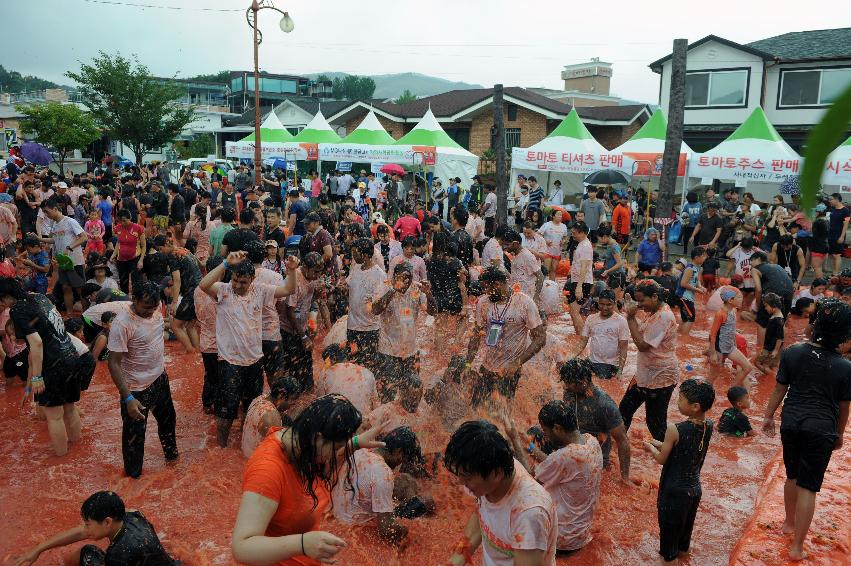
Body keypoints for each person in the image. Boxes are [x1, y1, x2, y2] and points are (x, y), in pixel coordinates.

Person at [232, 394, 387, 565]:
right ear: (317, 438)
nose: (335, 455)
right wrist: (303, 544)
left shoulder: (301, 444)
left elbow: (328, 454)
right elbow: (242, 547)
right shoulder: (268, 470)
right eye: (339, 446)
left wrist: (356, 443)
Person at [762, 298, 851, 562]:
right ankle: (797, 547)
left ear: (815, 325)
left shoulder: (793, 352)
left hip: (792, 422)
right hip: (822, 427)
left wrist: (767, 416)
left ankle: (788, 524)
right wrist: (840, 434)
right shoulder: (845, 367)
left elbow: (780, 389)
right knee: (808, 486)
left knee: (791, 476)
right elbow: (845, 407)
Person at [198, 251, 294, 448]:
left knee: (251, 406)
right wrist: (225, 263)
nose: (238, 285)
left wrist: (291, 270)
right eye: (235, 280)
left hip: (254, 360)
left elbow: (288, 289)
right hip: (229, 362)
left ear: (252, 279)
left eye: (243, 282)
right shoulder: (224, 290)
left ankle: (244, 440)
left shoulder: (260, 290)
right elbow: (203, 284)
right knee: (226, 410)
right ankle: (222, 448)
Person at [445, 420, 557, 566]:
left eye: (467, 477)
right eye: (459, 475)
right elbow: (480, 515)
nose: (461, 483)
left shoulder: (529, 514)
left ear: (497, 474)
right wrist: (456, 560)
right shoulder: (492, 471)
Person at [503, 400, 603, 554]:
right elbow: (554, 462)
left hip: (561, 540)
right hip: (580, 534)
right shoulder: (592, 441)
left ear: (557, 428)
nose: (545, 435)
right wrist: (529, 446)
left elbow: (530, 479)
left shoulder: (566, 457)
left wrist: (515, 439)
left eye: (546, 431)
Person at [0, 277, 81, 457]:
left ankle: (61, 463)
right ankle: (78, 452)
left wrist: (37, 377)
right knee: (69, 408)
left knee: (54, 415)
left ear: (6, 297)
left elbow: (36, 343)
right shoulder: (38, 297)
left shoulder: (17, 309)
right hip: (71, 355)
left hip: (53, 362)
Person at [106, 280, 177, 478]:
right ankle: (133, 480)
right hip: (136, 389)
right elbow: (113, 363)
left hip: (160, 378)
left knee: (168, 422)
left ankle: (172, 462)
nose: (150, 312)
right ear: (134, 299)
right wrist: (127, 398)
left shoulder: (156, 308)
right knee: (134, 438)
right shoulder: (122, 324)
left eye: (154, 307)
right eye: (145, 308)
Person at [644, 378, 715, 566]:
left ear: (695, 406)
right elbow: (683, 449)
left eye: (681, 399)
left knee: (668, 554)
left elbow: (662, 459)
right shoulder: (709, 425)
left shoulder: (674, 429)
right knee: (683, 546)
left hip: (673, 493)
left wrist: (649, 447)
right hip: (694, 491)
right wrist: (657, 443)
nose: (677, 402)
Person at [12, 491, 177, 566]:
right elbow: (81, 532)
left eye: (88, 523)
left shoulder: (118, 555)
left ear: (107, 522)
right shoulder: (133, 515)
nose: (85, 528)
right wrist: (39, 549)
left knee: (85, 552)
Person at [331, 426, 433, 544]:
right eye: (403, 458)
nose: (401, 463)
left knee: (405, 479)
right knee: (427, 501)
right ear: (398, 451)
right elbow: (387, 531)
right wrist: (412, 533)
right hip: (358, 528)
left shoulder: (360, 450)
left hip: (339, 516)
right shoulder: (383, 473)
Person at [465, 266, 545, 407]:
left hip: (509, 371)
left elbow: (540, 338)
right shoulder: (483, 303)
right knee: (475, 409)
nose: (485, 292)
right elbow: (476, 336)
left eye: (487, 288)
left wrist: (518, 363)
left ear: (497, 284)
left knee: (501, 415)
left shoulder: (524, 303)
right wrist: (467, 364)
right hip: (487, 366)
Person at [620, 280, 680, 442]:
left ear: (654, 296)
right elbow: (643, 332)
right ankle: (615, 448)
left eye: (641, 300)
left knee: (655, 424)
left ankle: (669, 455)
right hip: (645, 374)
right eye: (636, 301)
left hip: (661, 377)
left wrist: (631, 317)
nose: (639, 305)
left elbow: (642, 345)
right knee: (624, 411)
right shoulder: (653, 312)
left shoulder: (664, 316)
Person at [558, 358, 632, 483]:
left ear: (582, 382)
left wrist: (625, 478)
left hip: (594, 459)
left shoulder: (604, 405)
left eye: (568, 382)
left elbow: (623, 440)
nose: (565, 386)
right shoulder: (570, 393)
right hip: (573, 448)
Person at [371, 263, 435, 402]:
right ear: (394, 277)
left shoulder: (416, 289)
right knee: (387, 396)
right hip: (388, 352)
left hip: (411, 351)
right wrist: (393, 290)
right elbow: (375, 310)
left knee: (411, 396)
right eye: (403, 278)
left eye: (409, 278)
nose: (406, 282)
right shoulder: (385, 286)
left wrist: (429, 294)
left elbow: (432, 312)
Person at [278, 251, 324, 393]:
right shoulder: (295, 279)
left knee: (306, 362)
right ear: (305, 267)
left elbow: (311, 301)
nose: (317, 276)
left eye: (319, 272)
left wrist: (312, 324)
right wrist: (303, 336)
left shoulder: (312, 278)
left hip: (302, 326)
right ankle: (292, 395)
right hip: (288, 329)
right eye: (315, 272)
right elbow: (289, 311)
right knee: (293, 364)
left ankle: (307, 391)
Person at [342, 237, 386, 373]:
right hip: (352, 327)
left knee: (369, 367)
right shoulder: (356, 268)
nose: (353, 256)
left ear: (365, 255)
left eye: (355, 253)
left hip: (369, 329)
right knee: (353, 366)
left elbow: (379, 306)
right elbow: (348, 286)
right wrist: (341, 287)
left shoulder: (379, 275)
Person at [154, 235, 202, 354]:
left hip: (191, 292)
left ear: (166, 244)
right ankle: (198, 353)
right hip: (200, 289)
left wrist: (174, 303)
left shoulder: (172, 256)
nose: (160, 252)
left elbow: (177, 280)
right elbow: (200, 265)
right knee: (190, 326)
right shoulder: (184, 250)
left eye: (160, 249)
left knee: (175, 326)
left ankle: (190, 350)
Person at [40, 198, 88, 313]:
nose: (46, 214)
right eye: (44, 212)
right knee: (66, 288)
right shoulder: (54, 224)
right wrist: (38, 238)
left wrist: (69, 247)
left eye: (47, 211)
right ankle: (69, 314)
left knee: (80, 289)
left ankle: (87, 314)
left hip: (75, 261)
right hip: (63, 262)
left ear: (55, 209)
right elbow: (55, 240)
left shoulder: (70, 221)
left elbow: (84, 237)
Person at [570, 289, 629, 379]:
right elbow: (582, 342)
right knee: (570, 370)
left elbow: (624, 348)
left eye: (608, 304)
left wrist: (620, 371)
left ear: (614, 303)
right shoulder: (591, 318)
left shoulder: (621, 321)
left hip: (610, 365)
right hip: (591, 361)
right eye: (602, 304)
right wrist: (569, 357)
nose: (605, 308)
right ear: (598, 302)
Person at [242, 376, 303, 458]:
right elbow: (278, 451)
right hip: (258, 463)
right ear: (281, 395)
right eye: (293, 399)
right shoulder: (272, 417)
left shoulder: (259, 399)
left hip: (247, 454)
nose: (294, 403)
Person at [708, 287, 753, 388]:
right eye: (739, 297)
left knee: (748, 367)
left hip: (730, 347)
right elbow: (713, 335)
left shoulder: (734, 311)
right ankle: (705, 395)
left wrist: (735, 346)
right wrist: (713, 353)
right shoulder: (720, 314)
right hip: (719, 349)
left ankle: (731, 390)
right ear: (730, 300)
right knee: (713, 376)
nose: (741, 299)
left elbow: (732, 330)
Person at [750, 251, 794, 350]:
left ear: (757, 259)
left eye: (751, 261)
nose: (751, 264)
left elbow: (758, 289)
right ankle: (779, 349)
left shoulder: (755, 269)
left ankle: (760, 348)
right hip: (789, 293)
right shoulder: (777, 266)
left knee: (761, 322)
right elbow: (789, 282)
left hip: (773, 293)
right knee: (781, 321)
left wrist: (758, 304)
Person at [195, 256, 220, 414]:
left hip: (205, 341)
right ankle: (217, 406)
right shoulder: (220, 288)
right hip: (219, 343)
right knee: (219, 378)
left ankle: (207, 402)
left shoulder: (198, 288)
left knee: (210, 375)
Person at [565, 221, 593, 335]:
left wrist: (579, 287)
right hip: (577, 281)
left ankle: (582, 338)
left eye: (574, 233)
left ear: (582, 233)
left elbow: (584, 267)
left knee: (575, 312)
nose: (573, 235)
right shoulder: (581, 244)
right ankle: (578, 335)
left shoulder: (586, 246)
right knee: (572, 311)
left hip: (583, 282)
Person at [502, 229, 544, 302]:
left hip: (527, 297)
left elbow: (540, 276)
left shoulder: (527, 256)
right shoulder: (516, 254)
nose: (504, 247)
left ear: (516, 244)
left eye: (507, 244)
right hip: (517, 294)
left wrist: (536, 297)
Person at [111, 209, 146, 294]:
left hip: (135, 258)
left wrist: (141, 260)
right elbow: (119, 242)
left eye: (124, 221)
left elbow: (144, 245)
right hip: (121, 259)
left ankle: (136, 299)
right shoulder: (118, 227)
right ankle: (124, 300)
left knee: (136, 281)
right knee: (123, 282)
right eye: (120, 221)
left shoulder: (138, 228)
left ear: (129, 218)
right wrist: (113, 255)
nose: (122, 223)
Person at [676, 247, 707, 336]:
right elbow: (683, 284)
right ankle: (683, 340)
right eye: (703, 256)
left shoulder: (696, 268)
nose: (704, 258)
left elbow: (696, 281)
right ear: (697, 257)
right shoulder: (690, 268)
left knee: (685, 319)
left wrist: (701, 287)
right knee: (690, 319)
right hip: (684, 297)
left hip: (687, 297)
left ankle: (678, 336)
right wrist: (697, 290)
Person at [754, 293, 785, 375]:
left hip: (770, 348)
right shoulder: (777, 316)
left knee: (758, 363)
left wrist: (775, 350)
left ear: (774, 306)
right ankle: (771, 377)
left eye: (766, 306)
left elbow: (780, 337)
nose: (765, 308)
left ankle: (773, 379)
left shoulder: (777, 320)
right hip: (771, 347)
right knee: (767, 365)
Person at [537, 210, 568, 281]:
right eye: (558, 215)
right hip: (547, 250)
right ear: (553, 216)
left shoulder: (563, 226)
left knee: (554, 270)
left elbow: (565, 237)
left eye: (561, 215)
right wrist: (545, 241)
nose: (560, 216)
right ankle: (541, 284)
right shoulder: (547, 224)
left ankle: (552, 285)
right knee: (546, 269)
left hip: (557, 251)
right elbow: (538, 234)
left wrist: (563, 241)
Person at [827, 193, 849, 275]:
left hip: (839, 235)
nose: (830, 201)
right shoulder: (833, 209)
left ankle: (836, 273)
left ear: (837, 199)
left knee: (838, 255)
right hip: (831, 234)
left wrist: (842, 236)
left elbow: (846, 224)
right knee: (832, 255)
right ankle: (834, 272)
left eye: (831, 199)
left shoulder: (845, 210)